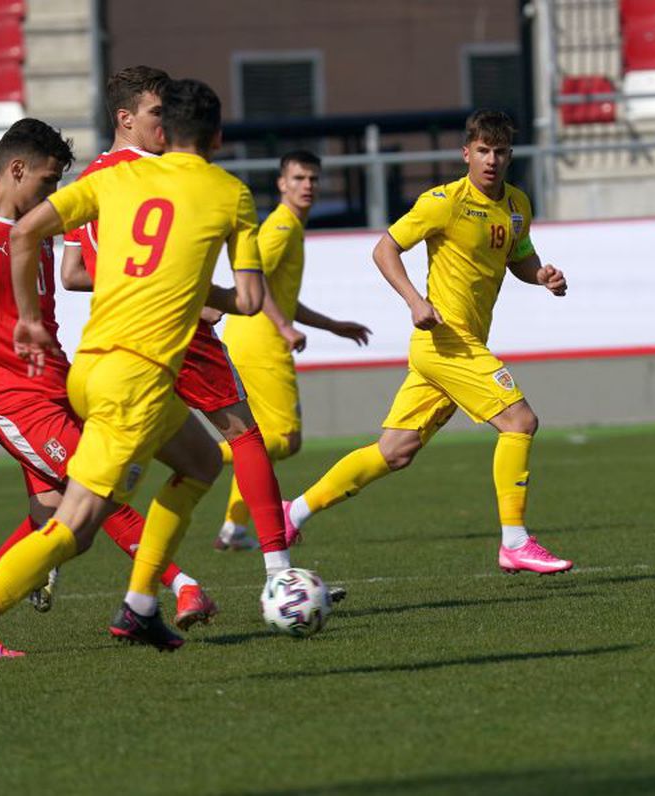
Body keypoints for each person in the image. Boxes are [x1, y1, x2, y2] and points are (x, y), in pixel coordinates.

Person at [0, 78, 266, 699]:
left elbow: (27, 236)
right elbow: (249, 300)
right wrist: (196, 292)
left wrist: (27, 316)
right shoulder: (229, 193)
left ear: (164, 129)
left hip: (96, 368)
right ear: (215, 137)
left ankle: (140, 604)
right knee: (73, 528)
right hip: (136, 377)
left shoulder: (112, 179)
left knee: (203, 460)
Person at [280, 110, 575, 577]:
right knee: (520, 420)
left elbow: (518, 256)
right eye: (483, 150)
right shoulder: (444, 202)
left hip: (457, 347)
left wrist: (540, 275)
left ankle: (292, 513)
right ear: (466, 153)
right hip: (445, 341)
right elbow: (385, 249)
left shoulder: (517, 202)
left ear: (510, 154)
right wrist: (416, 301)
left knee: (394, 451)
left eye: (500, 151)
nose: (491, 160)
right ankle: (514, 541)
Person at [59, 65, 299, 570]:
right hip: (176, 329)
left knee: (120, 473)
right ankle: (279, 572)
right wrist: (182, 289)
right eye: (155, 114)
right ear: (125, 119)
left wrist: (131, 285)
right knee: (244, 438)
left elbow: (72, 273)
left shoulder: (94, 177)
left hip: (112, 341)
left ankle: (67, 564)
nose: (164, 124)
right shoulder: (160, 176)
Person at [216, 150, 372, 548]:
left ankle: (234, 528)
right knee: (284, 438)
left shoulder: (292, 228)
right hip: (260, 343)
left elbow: (284, 298)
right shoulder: (282, 227)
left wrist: (333, 326)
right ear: (282, 183)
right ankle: (203, 455)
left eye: (313, 179)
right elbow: (255, 280)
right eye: (299, 178)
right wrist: (283, 327)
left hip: (253, 338)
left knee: (259, 438)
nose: (307, 186)